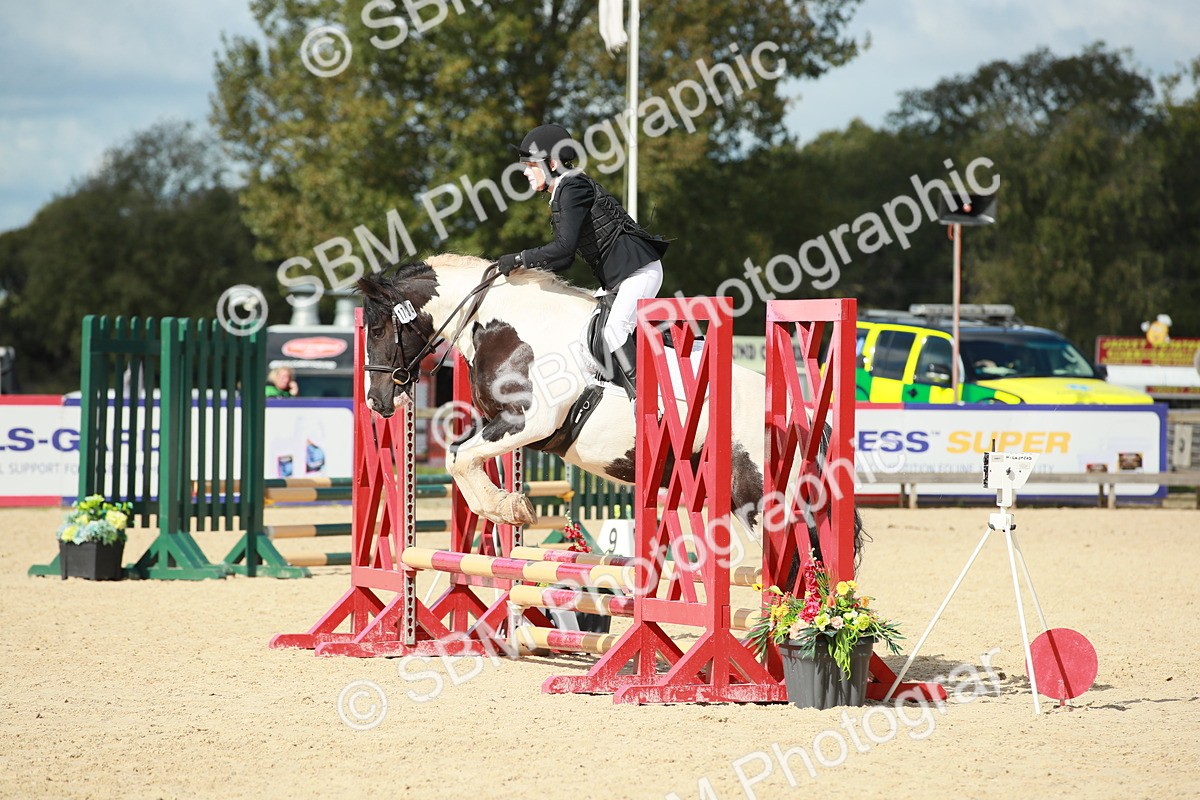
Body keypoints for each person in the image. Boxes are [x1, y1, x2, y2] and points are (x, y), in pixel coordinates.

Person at [495, 124, 668, 398]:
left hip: (639, 272)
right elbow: (563, 262)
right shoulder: (562, 190)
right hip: (618, 280)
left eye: (530, 165)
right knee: (581, 345)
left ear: (551, 163)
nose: (525, 172)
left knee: (614, 332)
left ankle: (646, 404)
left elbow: (563, 250)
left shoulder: (572, 186)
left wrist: (521, 258)